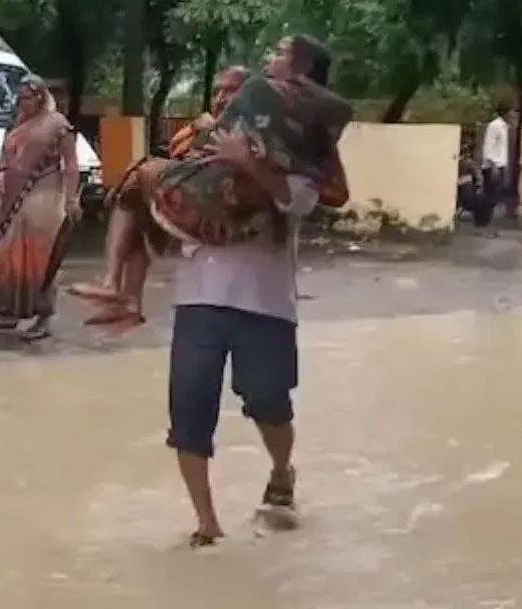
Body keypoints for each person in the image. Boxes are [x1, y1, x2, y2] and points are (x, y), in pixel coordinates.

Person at [166, 35, 341, 547]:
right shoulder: (209, 135)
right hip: (197, 296)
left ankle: (282, 469)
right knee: (189, 412)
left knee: (267, 400)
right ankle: (207, 525)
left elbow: (299, 201)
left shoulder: (304, 143)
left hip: (265, 301)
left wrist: (249, 162)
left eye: (280, 56)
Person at [71, 66, 251, 327]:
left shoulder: (248, 125)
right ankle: (128, 300)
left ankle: (112, 281)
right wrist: (194, 128)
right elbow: (176, 148)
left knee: (136, 178)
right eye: (217, 92)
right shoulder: (211, 124)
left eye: (230, 91)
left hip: (216, 210)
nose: (221, 98)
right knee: (136, 214)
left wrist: (208, 132)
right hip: (190, 199)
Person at [0, 75, 82, 340]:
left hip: (45, 198)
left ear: (40, 97)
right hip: (12, 200)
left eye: (28, 97)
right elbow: (6, 156)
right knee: (5, 255)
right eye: (21, 97)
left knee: (40, 260)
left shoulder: (57, 124)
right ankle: (8, 314)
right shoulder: (18, 125)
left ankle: (43, 318)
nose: (23, 103)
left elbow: (71, 164)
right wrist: (2, 172)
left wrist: (71, 199)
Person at [481, 104, 512, 211]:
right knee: (490, 193)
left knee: (497, 193)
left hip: (500, 164)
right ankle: (485, 215)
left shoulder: (504, 126)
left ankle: (488, 214)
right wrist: (493, 165)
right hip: (493, 165)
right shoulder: (494, 126)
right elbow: (489, 146)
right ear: (505, 113)